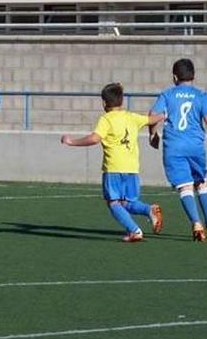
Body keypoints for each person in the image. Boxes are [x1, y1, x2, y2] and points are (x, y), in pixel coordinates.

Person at [149, 58, 207, 242]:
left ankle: (196, 223)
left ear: (175, 77)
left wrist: (153, 135)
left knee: (185, 187)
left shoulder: (167, 95)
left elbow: (152, 116)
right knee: (201, 183)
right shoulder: (201, 96)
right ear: (193, 76)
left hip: (174, 147)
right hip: (195, 146)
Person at [61, 83, 165, 243]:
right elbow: (153, 118)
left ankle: (134, 230)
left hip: (114, 169)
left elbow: (95, 138)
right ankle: (149, 210)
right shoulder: (132, 117)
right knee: (127, 203)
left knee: (113, 202)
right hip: (132, 169)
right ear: (122, 101)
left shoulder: (106, 119)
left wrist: (71, 142)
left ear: (104, 103)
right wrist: (166, 115)